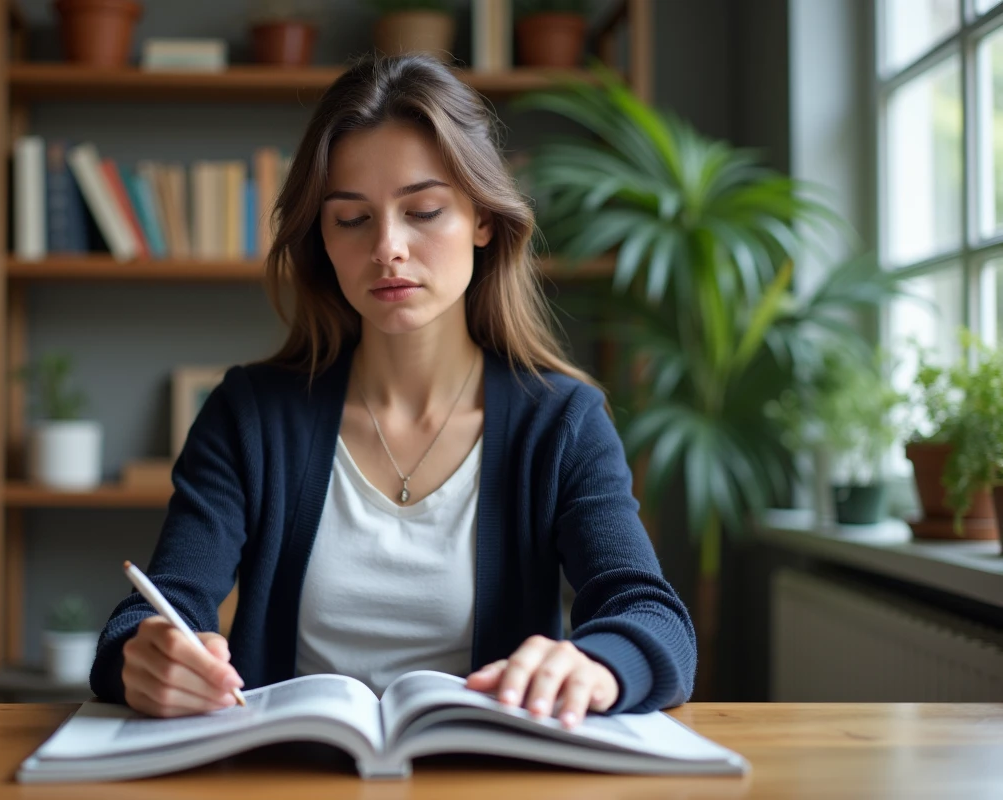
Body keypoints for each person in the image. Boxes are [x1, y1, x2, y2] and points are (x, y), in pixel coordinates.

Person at [90, 52, 695, 729]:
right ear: (322, 236)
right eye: (352, 219)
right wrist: (143, 658)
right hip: (289, 778)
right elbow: (159, 607)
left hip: (482, 779)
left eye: (425, 210)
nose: (388, 248)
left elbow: (651, 617)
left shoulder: (560, 423)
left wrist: (600, 665)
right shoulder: (250, 415)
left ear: (484, 220)